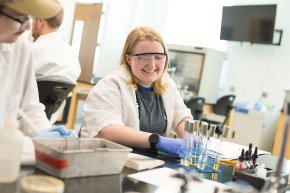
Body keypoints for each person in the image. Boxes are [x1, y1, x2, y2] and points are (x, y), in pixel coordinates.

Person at [81, 26, 192, 156]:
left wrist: (193, 139)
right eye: (143, 57)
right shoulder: (111, 84)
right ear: (129, 58)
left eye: (158, 57)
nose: (152, 64)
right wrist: (157, 141)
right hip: (107, 160)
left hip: (147, 162)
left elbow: (181, 118)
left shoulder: (167, 84)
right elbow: (106, 131)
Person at [0, 0, 76, 138]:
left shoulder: (20, 46)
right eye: (20, 18)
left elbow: (29, 108)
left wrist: (45, 134)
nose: (28, 26)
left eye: (29, 17)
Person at [30, 1, 81, 123]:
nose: (31, 23)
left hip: (18, 119)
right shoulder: (72, 53)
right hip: (48, 121)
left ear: (41, 21)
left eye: (33, 19)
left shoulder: (32, 49)